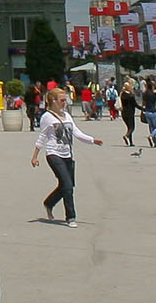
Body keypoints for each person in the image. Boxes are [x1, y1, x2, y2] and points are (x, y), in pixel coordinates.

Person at [31, 90, 100, 227]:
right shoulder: (47, 117)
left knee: (67, 185)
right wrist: (35, 156)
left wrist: (92, 140)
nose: (65, 103)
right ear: (53, 101)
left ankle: (49, 203)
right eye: (62, 100)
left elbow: (76, 132)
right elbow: (42, 137)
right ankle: (71, 217)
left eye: (65, 100)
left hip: (68, 154)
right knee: (67, 186)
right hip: (53, 154)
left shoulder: (67, 115)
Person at [118, 77, 139, 147]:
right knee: (132, 127)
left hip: (124, 112)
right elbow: (135, 104)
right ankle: (126, 136)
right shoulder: (131, 96)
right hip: (130, 113)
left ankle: (131, 142)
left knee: (128, 127)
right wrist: (143, 109)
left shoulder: (122, 94)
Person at [142, 82, 156, 146]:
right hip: (153, 112)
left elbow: (143, 104)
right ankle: (151, 136)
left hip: (147, 112)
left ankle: (154, 143)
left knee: (151, 128)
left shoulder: (144, 94)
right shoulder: (154, 94)